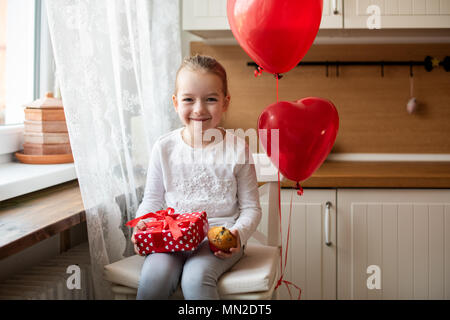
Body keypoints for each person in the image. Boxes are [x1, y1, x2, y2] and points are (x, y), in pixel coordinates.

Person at [131, 54, 262, 300]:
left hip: (219, 242)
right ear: (175, 103)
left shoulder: (237, 150)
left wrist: (238, 234)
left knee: (195, 279)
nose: (199, 109)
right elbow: (151, 200)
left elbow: (251, 208)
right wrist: (142, 225)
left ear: (225, 102)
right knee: (153, 279)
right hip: (171, 238)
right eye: (189, 99)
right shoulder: (164, 148)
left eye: (211, 99)